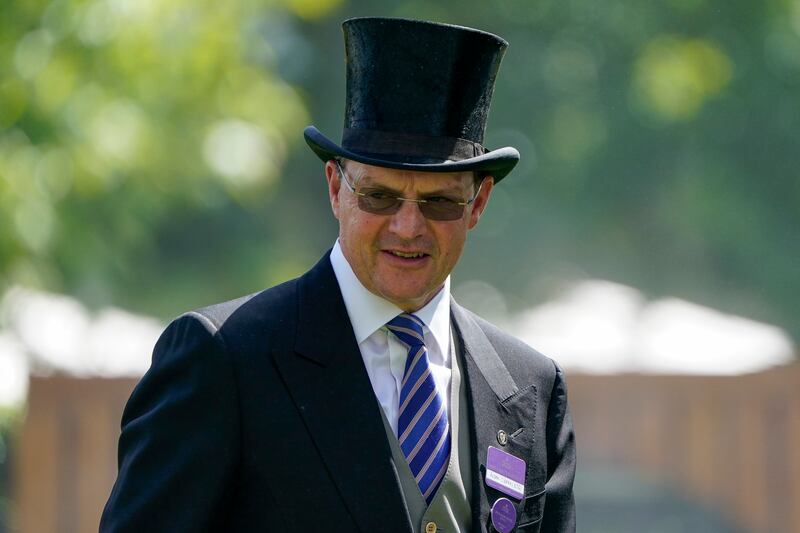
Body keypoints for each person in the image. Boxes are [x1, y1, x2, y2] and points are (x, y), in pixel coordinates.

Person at [100, 17, 576, 533]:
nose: (408, 226)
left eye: (439, 202)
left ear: (478, 203)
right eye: (379, 196)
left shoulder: (531, 385)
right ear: (336, 188)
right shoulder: (225, 359)